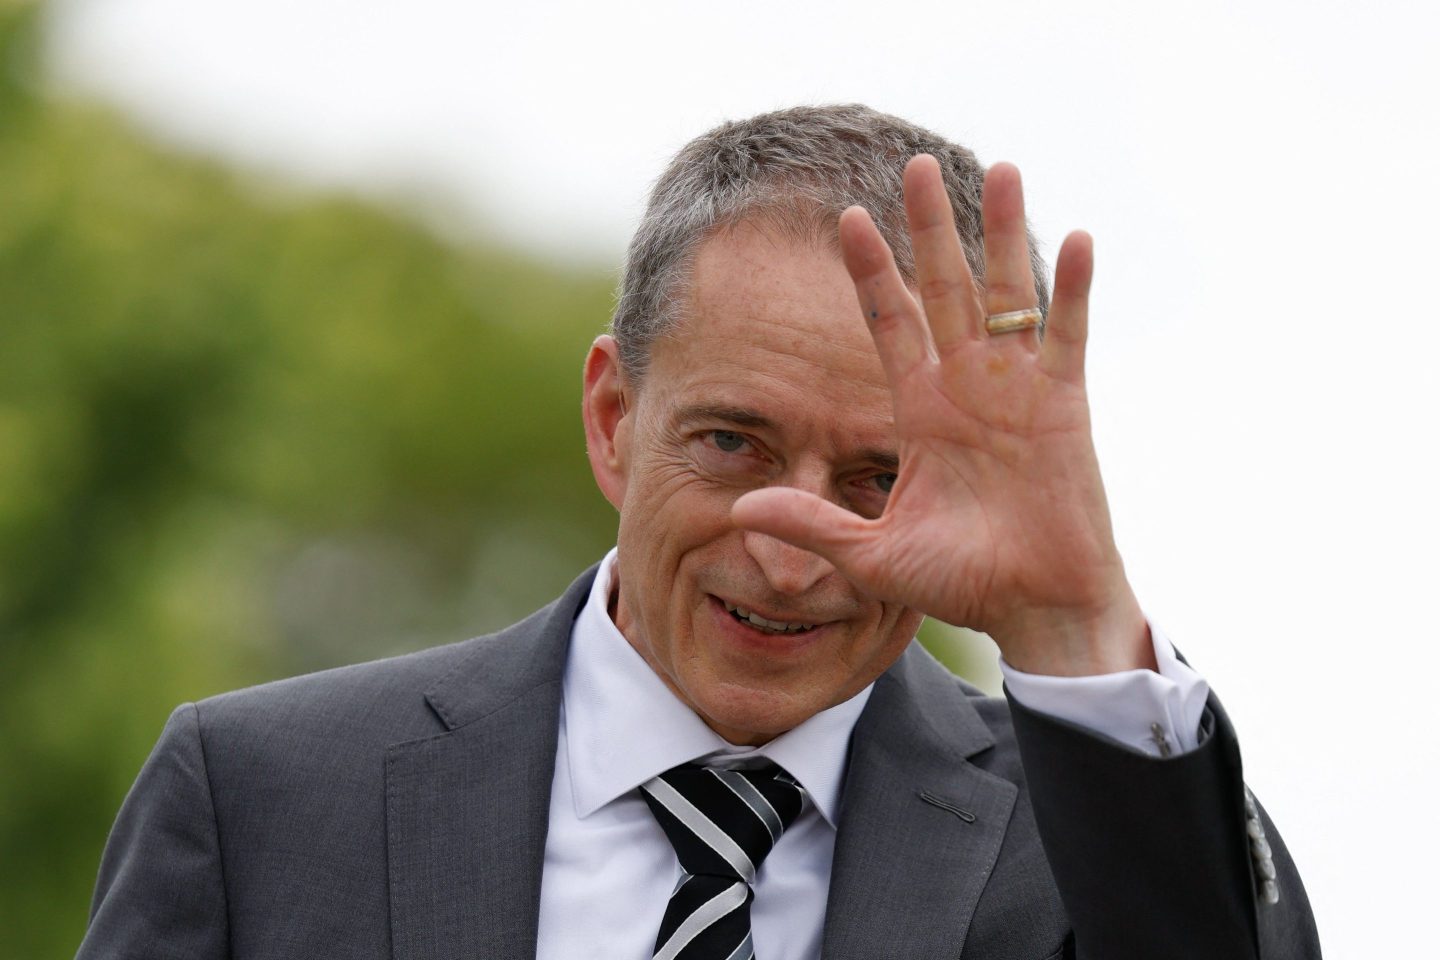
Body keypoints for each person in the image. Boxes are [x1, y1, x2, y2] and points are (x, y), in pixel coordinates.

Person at [77, 105, 1320, 960]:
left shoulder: (1093, 842)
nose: (790, 553)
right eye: (735, 445)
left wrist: (1071, 625)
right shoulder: (262, 800)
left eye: (878, 480)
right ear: (615, 418)